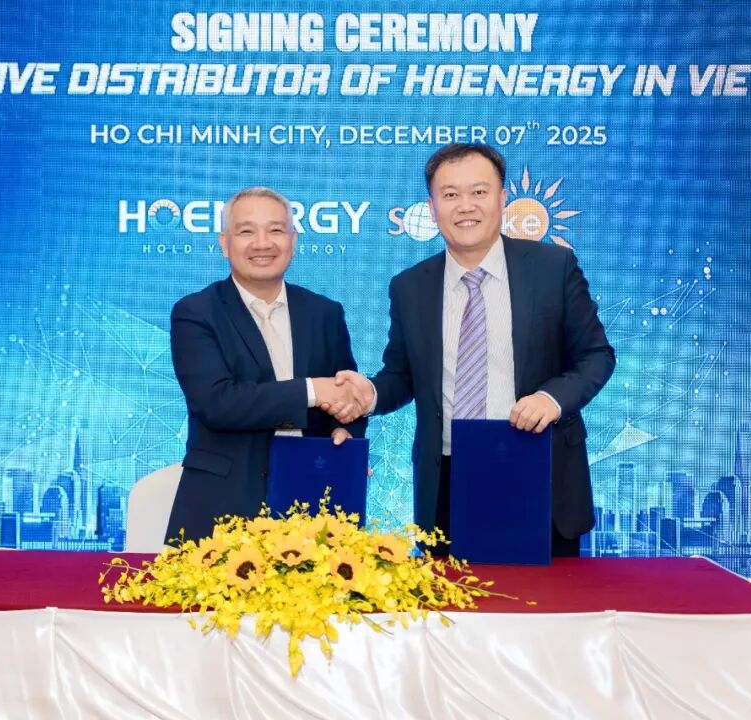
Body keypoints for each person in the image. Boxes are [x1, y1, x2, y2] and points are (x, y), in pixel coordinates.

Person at [338, 144, 614, 557]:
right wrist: (371, 394)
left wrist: (551, 398)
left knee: (547, 599)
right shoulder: (410, 286)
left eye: (479, 192)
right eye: (450, 194)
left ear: (502, 199)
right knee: (451, 598)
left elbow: (596, 355)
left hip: (539, 467)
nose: (465, 206)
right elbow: (402, 376)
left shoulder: (553, 267)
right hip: (447, 478)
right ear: (432, 210)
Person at [166, 186, 367, 542]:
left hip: (315, 504)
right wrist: (310, 390)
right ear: (224, 243)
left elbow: (343, 392)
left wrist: (346, 431)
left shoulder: (324, 312)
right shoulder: (196, 312)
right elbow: (218, 403)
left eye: (275, 230)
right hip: (222, 508)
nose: (262, 243)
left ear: (292, 240)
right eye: (247, 231)